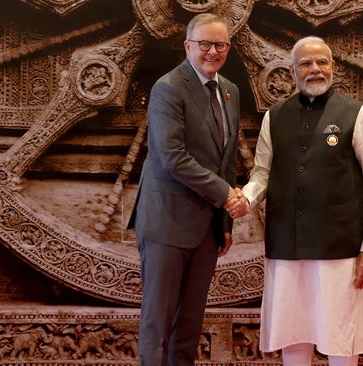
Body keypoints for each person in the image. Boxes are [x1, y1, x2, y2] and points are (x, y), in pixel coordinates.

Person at [235, 36, 363, 366]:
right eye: (305, 64)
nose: (315, 69)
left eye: (322, 62)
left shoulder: (355, 114)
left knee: (341, 340)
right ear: (293, 71)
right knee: (292, 336)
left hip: (341, 250)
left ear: (333, 67)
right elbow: (262, 175)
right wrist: (245, 201)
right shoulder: (275, 117)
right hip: (286, 246)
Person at [127, 13, 242, 366]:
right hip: (166, 223)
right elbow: (171, 157)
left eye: (219, 44)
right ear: (187, 46)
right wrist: (225, 194)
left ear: (228, 48)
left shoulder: (230, 91)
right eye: (204, 44)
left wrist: (224, 223)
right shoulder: (168, 87)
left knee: (190, 325)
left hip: (207, 228)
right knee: (158, 323)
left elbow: (227, 158)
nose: (212, 51)